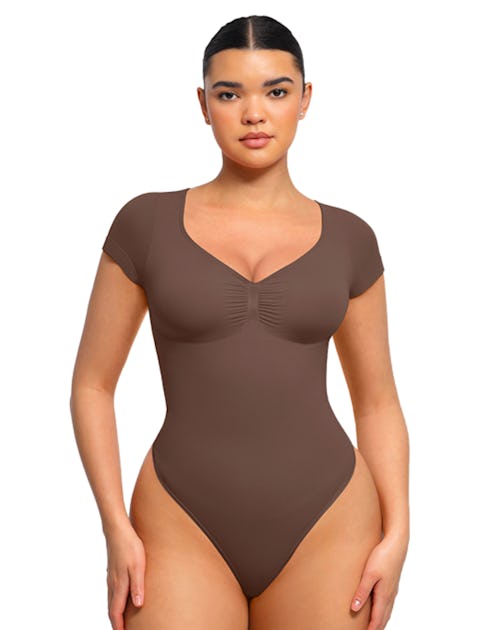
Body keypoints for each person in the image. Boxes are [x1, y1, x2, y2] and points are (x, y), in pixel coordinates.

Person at [70, 14, 409, 630]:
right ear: (203, 105)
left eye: (276, 91)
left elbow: (378, 402)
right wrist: (115, 526)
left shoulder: (351, 239)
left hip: (329, 522)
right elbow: (92, 385)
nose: (254, 114)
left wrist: (399, 533)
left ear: (305, 99)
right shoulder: (144, 224)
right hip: (179, 521)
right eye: (229, 94)